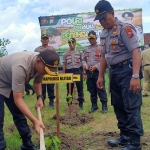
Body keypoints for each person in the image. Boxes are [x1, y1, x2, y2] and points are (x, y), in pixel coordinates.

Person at [95, 1, 143, 150]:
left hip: (127, 71)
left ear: (112, 13)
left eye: (104, 17)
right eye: (100, 19)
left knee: (131, 105)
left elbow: (136, 51)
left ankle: (134, 142)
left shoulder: (125, 29)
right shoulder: (104, 34)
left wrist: (135, 76)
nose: (102, 21)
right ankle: (125, 136)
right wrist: (101, 76)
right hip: (114, 73)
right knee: (118, 105)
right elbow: (104, 56)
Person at [0, 50, 59, 150]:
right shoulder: (21, 66)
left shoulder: (42, 64)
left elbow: (37, 82)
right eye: (46, 70)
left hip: (11, 81)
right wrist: (35, 121)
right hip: (1, 80)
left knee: (19, 114)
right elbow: (18, 99)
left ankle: (27, 144)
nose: (46, 72)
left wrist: (40, 97)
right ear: (38, 62)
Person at [82, 30, 108, 114]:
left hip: (98, 72)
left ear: (96, 38)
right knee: (91, 89)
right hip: (89, 72)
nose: (91, 40)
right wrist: (85, 65)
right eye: (90, 39)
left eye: (93, 38)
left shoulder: (100, 47)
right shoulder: (86, 49)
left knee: (100, 88)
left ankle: (104, 106)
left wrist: (96, 66)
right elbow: (83, 60)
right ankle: (94, 105)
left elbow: (104, 59)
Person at [62, 38, 84, 109]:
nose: (71, 44)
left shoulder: (79, 52)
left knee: (80, 88)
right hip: (69, 71)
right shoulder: (65, 54)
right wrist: (63, 73)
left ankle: (81, 103)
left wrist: (84, 73)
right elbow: (64, 64)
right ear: (68, 44)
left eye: (73, 43)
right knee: (69, 88)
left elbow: (82, 63)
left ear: (75, 43)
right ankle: (69, 103)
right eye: (70, 43)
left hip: (78, 71)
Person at [35, 34, 56, 108]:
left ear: (48, 40)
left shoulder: (52, 49)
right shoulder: (37, 50)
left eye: (46, 39)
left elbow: (55, 60)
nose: (45, 40)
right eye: (43, 39)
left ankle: (51, 102)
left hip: (50, 70)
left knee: (50, 86)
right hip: (41, 71)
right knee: (42, 86)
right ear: (41, 40)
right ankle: (42, 101)